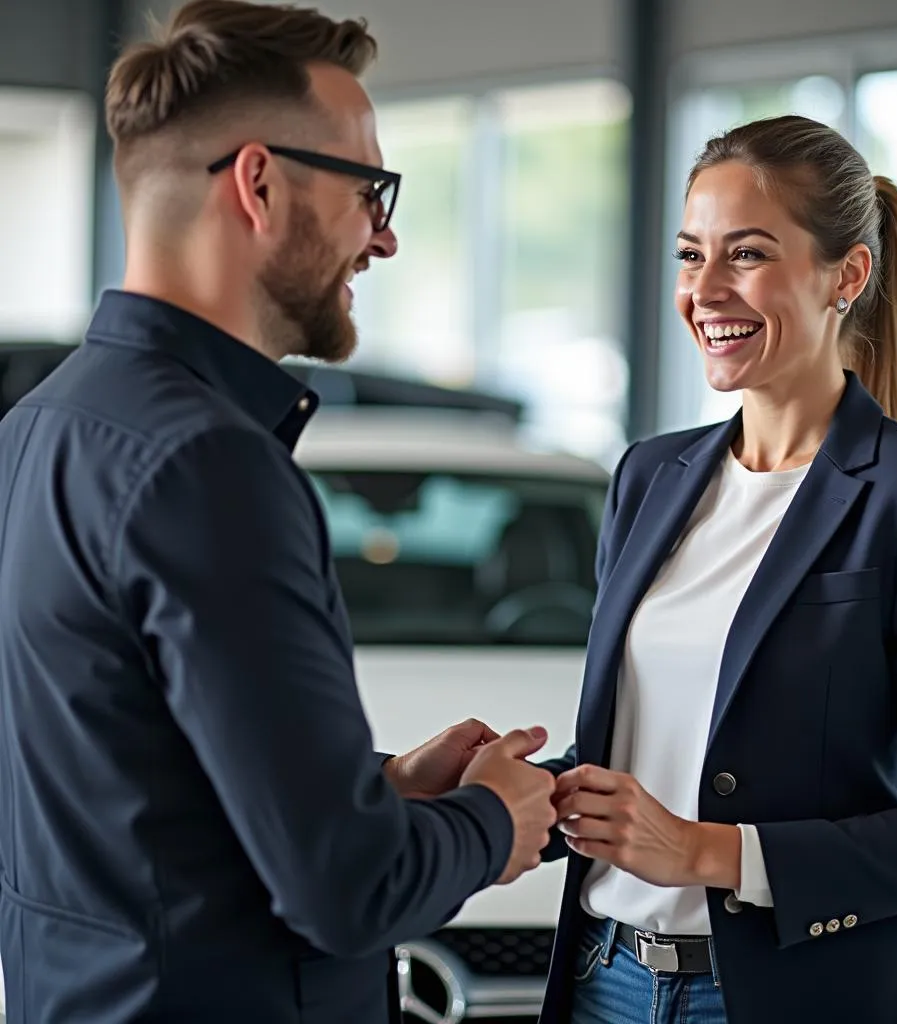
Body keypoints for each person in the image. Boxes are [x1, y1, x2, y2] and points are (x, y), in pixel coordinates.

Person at [0, 3, 558, 1022]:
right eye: (368, 191)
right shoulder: (209, 465)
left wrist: (377, 784)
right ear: (258, 183)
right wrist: (494, 820)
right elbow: (349, 888)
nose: (382, 237)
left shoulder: (40, 428)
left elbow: (129, 790)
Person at [537, 114, 897, 1024]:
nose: (705, 290)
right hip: (606, 981)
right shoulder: (649, 475)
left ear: (848, 274)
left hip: (803, 993)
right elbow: (656, 755)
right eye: (690, 255)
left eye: (747, 254)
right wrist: (520, 790)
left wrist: (709, 852)